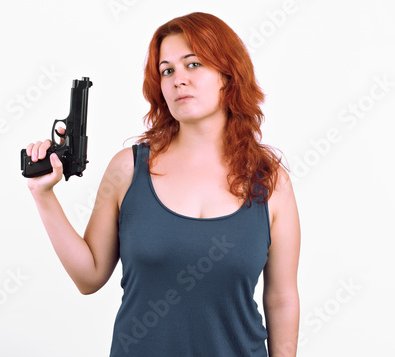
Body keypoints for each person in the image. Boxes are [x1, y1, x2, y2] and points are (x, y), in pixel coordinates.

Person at [25, 12, 300, 357]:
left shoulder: (271, 182)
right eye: (167, 70)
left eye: (193, 64)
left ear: (228, 76)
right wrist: (43, 194)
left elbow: (282, 298)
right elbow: (89, 277)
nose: (178, 80)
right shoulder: (127, 169)